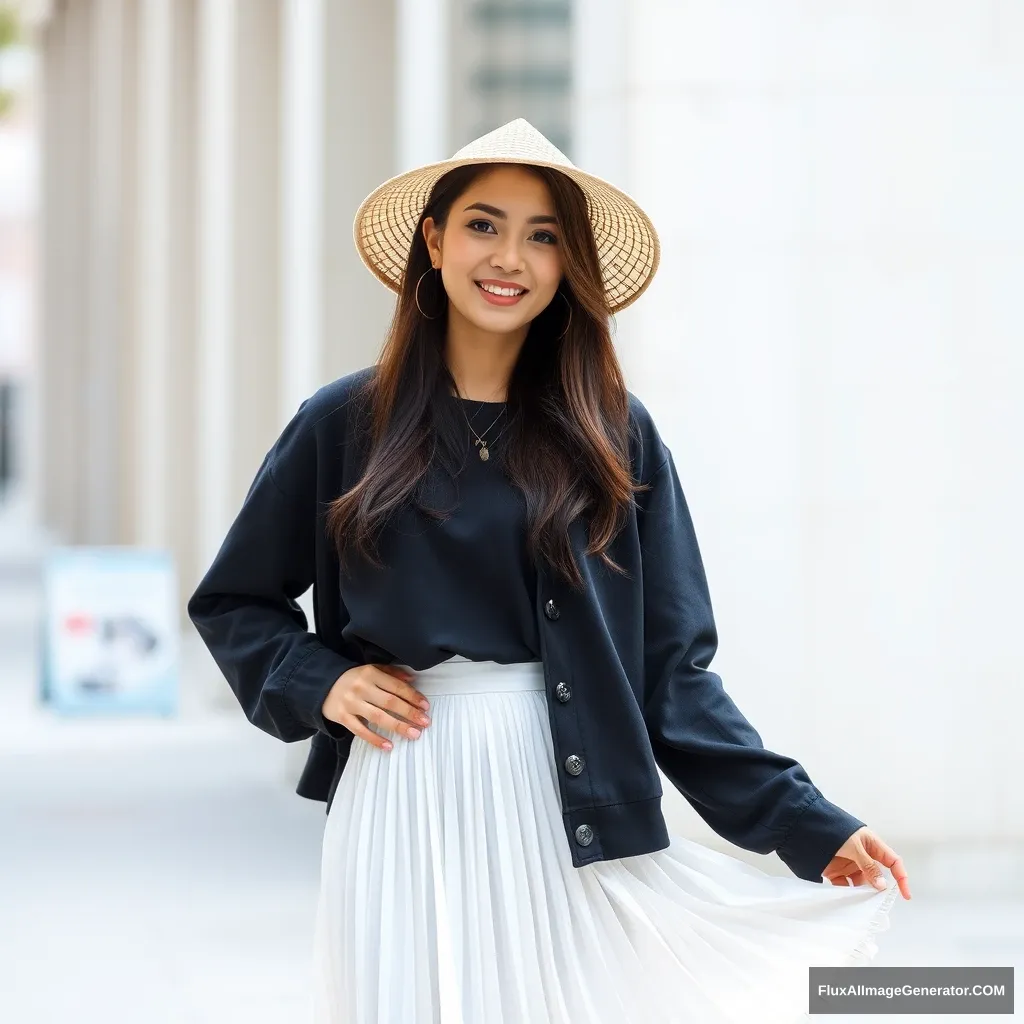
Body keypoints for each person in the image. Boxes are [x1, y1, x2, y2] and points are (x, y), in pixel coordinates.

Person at [188, 118, 908, 1024]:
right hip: (405, 795)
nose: (510, 258)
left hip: (567, 801)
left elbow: (671, 671)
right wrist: (321, 682)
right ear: (435, 239)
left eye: (543, 236)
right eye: (484, 225)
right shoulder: (344, 423)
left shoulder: (615, 434)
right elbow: (234, 601)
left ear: (569, 266)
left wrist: (807, 821)